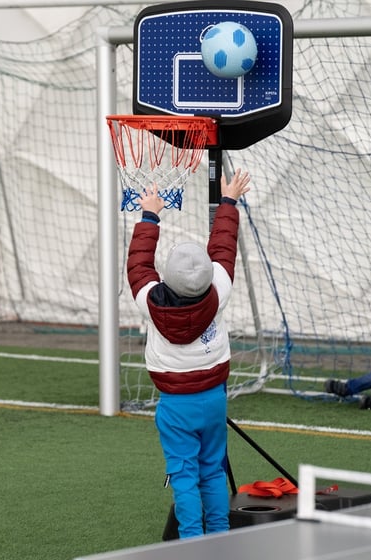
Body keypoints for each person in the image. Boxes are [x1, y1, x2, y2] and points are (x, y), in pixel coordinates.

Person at [126, 169, 251, 539]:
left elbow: (138, 264)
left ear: (167, 277)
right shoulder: (221, 289)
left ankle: (191, 543)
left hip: (175, 405)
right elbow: (224, 248)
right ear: (207, 278)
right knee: (212, 470)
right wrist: (228, 202)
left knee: (184, 475)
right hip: (214, 400)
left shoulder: (150, 301)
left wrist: (150, 215)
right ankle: (219, 538)